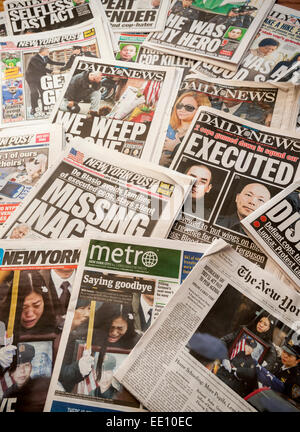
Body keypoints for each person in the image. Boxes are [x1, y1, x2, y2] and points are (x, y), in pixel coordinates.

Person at [159, 91, 211, 167]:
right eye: (179, 106)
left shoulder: (203, 136)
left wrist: (176, 147)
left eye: (189, 107)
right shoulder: (166, 126)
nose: (181, 110)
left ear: (201, 111)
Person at [0, 270, 57, 340]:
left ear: (45, 302)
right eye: (23, 307)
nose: (29, 314)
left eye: (36, 305)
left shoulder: (56, 327)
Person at [255, 337, 300, 404]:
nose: (285, 356)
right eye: (284, 352)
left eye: (289, 355)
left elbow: (289, 403)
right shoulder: (277, 363)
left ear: (297, 360)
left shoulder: (296, 379)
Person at [25, 47, 65, 116]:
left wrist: (64, 64)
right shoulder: (34, 58)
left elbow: (52, 62)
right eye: (47, 51)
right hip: (32, 78)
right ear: (42, 51)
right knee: (34, 93)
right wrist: (52, 71)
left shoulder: (46, 57)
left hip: (41, 77)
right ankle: (34, 108)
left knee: (44, 93)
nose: (48, 52)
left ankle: (45, 108)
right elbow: (40, 68)